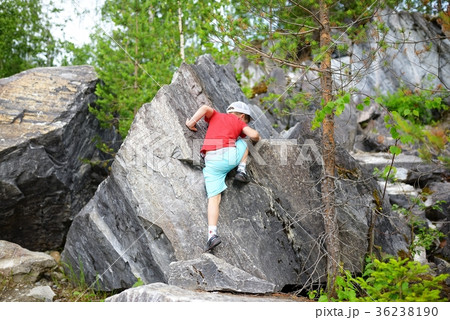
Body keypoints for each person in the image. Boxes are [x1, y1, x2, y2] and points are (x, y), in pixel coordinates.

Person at [185, 101, 260, 251]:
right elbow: (254, 135)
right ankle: (242, 170)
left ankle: (211, 235)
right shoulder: (238, 121)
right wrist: (249, 135)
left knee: (214, 198)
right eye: (247, 120)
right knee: (244, 143)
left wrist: (191, 123)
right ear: (243, 116)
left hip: (211, 160)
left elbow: (205, 108)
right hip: (228, 156)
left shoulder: (217, 116)